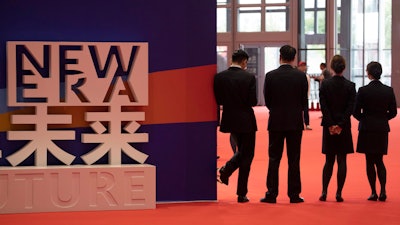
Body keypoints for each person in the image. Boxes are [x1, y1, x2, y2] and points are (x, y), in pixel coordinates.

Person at [261, 45, 308, 204]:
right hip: (295, 122)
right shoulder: (300, 76)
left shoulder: (270, 76)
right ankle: (294, 194)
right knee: (294, 159)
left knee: (274, 158)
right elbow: (304, 101)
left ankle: (271, 193)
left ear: (280, 56)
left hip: (276, 121)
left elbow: (268, 100)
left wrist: (276, 110)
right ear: (294, 58)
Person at [213, 49, 257, 203]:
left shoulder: (219, 77)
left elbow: (218, 99)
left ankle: (226, 171)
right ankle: (240, 192)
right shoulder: (249, 77)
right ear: (244, 61)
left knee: (242, 152)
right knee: (247, 154)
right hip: (246, 120)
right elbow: (253, 101)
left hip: (230, 119)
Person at [353, 61, 397, 202]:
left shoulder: (363, 90)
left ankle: (373, 192)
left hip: (367, 128)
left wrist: (364, 119)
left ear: (368, 73)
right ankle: (383, 190)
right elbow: (394, 112)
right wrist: (383, 119)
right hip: (381, 128)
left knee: (369, 161)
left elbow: (355, 112)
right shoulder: (388, 90)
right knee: (380, 161)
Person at [318, 55, 356, 202]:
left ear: (332, 67)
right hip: (344, 127)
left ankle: (324, 191)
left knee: (328, 161)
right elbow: (350, 108)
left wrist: (331, 124)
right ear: (344, 68)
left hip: (328, 127)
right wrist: (340, 124)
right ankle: (339, 193)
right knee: (342, 160)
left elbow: (324, 107)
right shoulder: (350, 86)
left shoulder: (325, 85)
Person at [297, 61, 312, 130]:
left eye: (304, 66)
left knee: (306, 110)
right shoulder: (296, 75)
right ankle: (299, 123)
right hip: (297, 96)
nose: (304, 67)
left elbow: (308, 87)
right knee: (298, 111)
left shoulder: (307, 76)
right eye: (302, 66)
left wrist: (307, 95)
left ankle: (307, 124)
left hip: (305, 96)